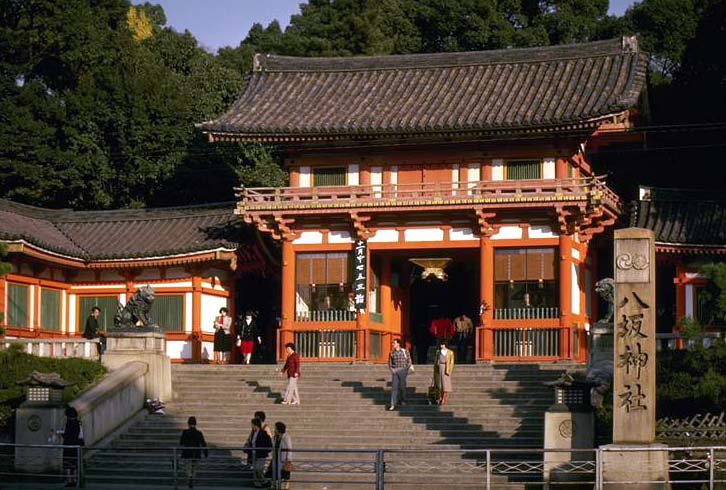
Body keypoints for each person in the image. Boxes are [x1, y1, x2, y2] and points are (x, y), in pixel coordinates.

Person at [179, 416, 208, 489]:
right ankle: (192, 477)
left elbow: (181, 442)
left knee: (188, 467)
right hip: (196, 453)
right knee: (194, 467)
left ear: (188, 423)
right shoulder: (199, 433)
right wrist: (205, 453)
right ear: (195, 423)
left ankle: (189, 477)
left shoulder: (185, 432)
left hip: (187, 453)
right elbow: (203, 443)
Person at [60, 406, 83, 485]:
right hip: (76, 445)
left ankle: (69, 480)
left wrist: (61, 434)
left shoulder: (68, 424)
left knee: (67, 463)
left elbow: (67, 435)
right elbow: (79, 435)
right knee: (75, 463)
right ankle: (75, 479)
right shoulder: (78, 423)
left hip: (68, 445)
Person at [267, 421, 293, 490]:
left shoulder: (286, 437)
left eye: (275, 428)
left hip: (283, 459)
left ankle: (285, 487)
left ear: (279, 429)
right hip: (276, 458)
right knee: (274, 473)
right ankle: (274, 486)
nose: (274, 430)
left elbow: (289, 448)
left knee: (284, 474)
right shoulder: (275, 438)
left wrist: (289, 459)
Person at [387, 338, 411, 411]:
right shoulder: (391, 353)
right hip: (395, 371)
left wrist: (406, 369)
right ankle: (393, 404)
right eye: (392, 343)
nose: (393, 344)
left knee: (402, 387)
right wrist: (392, 370)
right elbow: (390, 363)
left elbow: (409, 361)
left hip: (403, 370)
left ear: (398, 344)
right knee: (394, 388)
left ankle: (403, 400)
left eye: (394, 343)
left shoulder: (404, 351)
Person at [248, 417, 273, 488]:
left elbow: (269, 443)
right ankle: (257, 484)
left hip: (261, 454)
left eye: (252, 425)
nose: (252, 426)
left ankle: (265, 481)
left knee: (258, 469)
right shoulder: (253, 433)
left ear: (256, 425)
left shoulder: (263, 433)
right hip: (254, 454)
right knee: (255, 470)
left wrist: (264, 450)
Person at [433, 340, 455, 405]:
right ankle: (439, 397)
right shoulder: (438, 352)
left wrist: (449, 370)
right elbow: (436, 360)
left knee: (445, 384)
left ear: (445, 345)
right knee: (439, 384)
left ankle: (444, 398)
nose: (441, 346)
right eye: (440, 345)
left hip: (446, 367)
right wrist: (435, 369)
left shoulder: (450, 352)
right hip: (439, 367)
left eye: (442, 344)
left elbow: (451, 362)